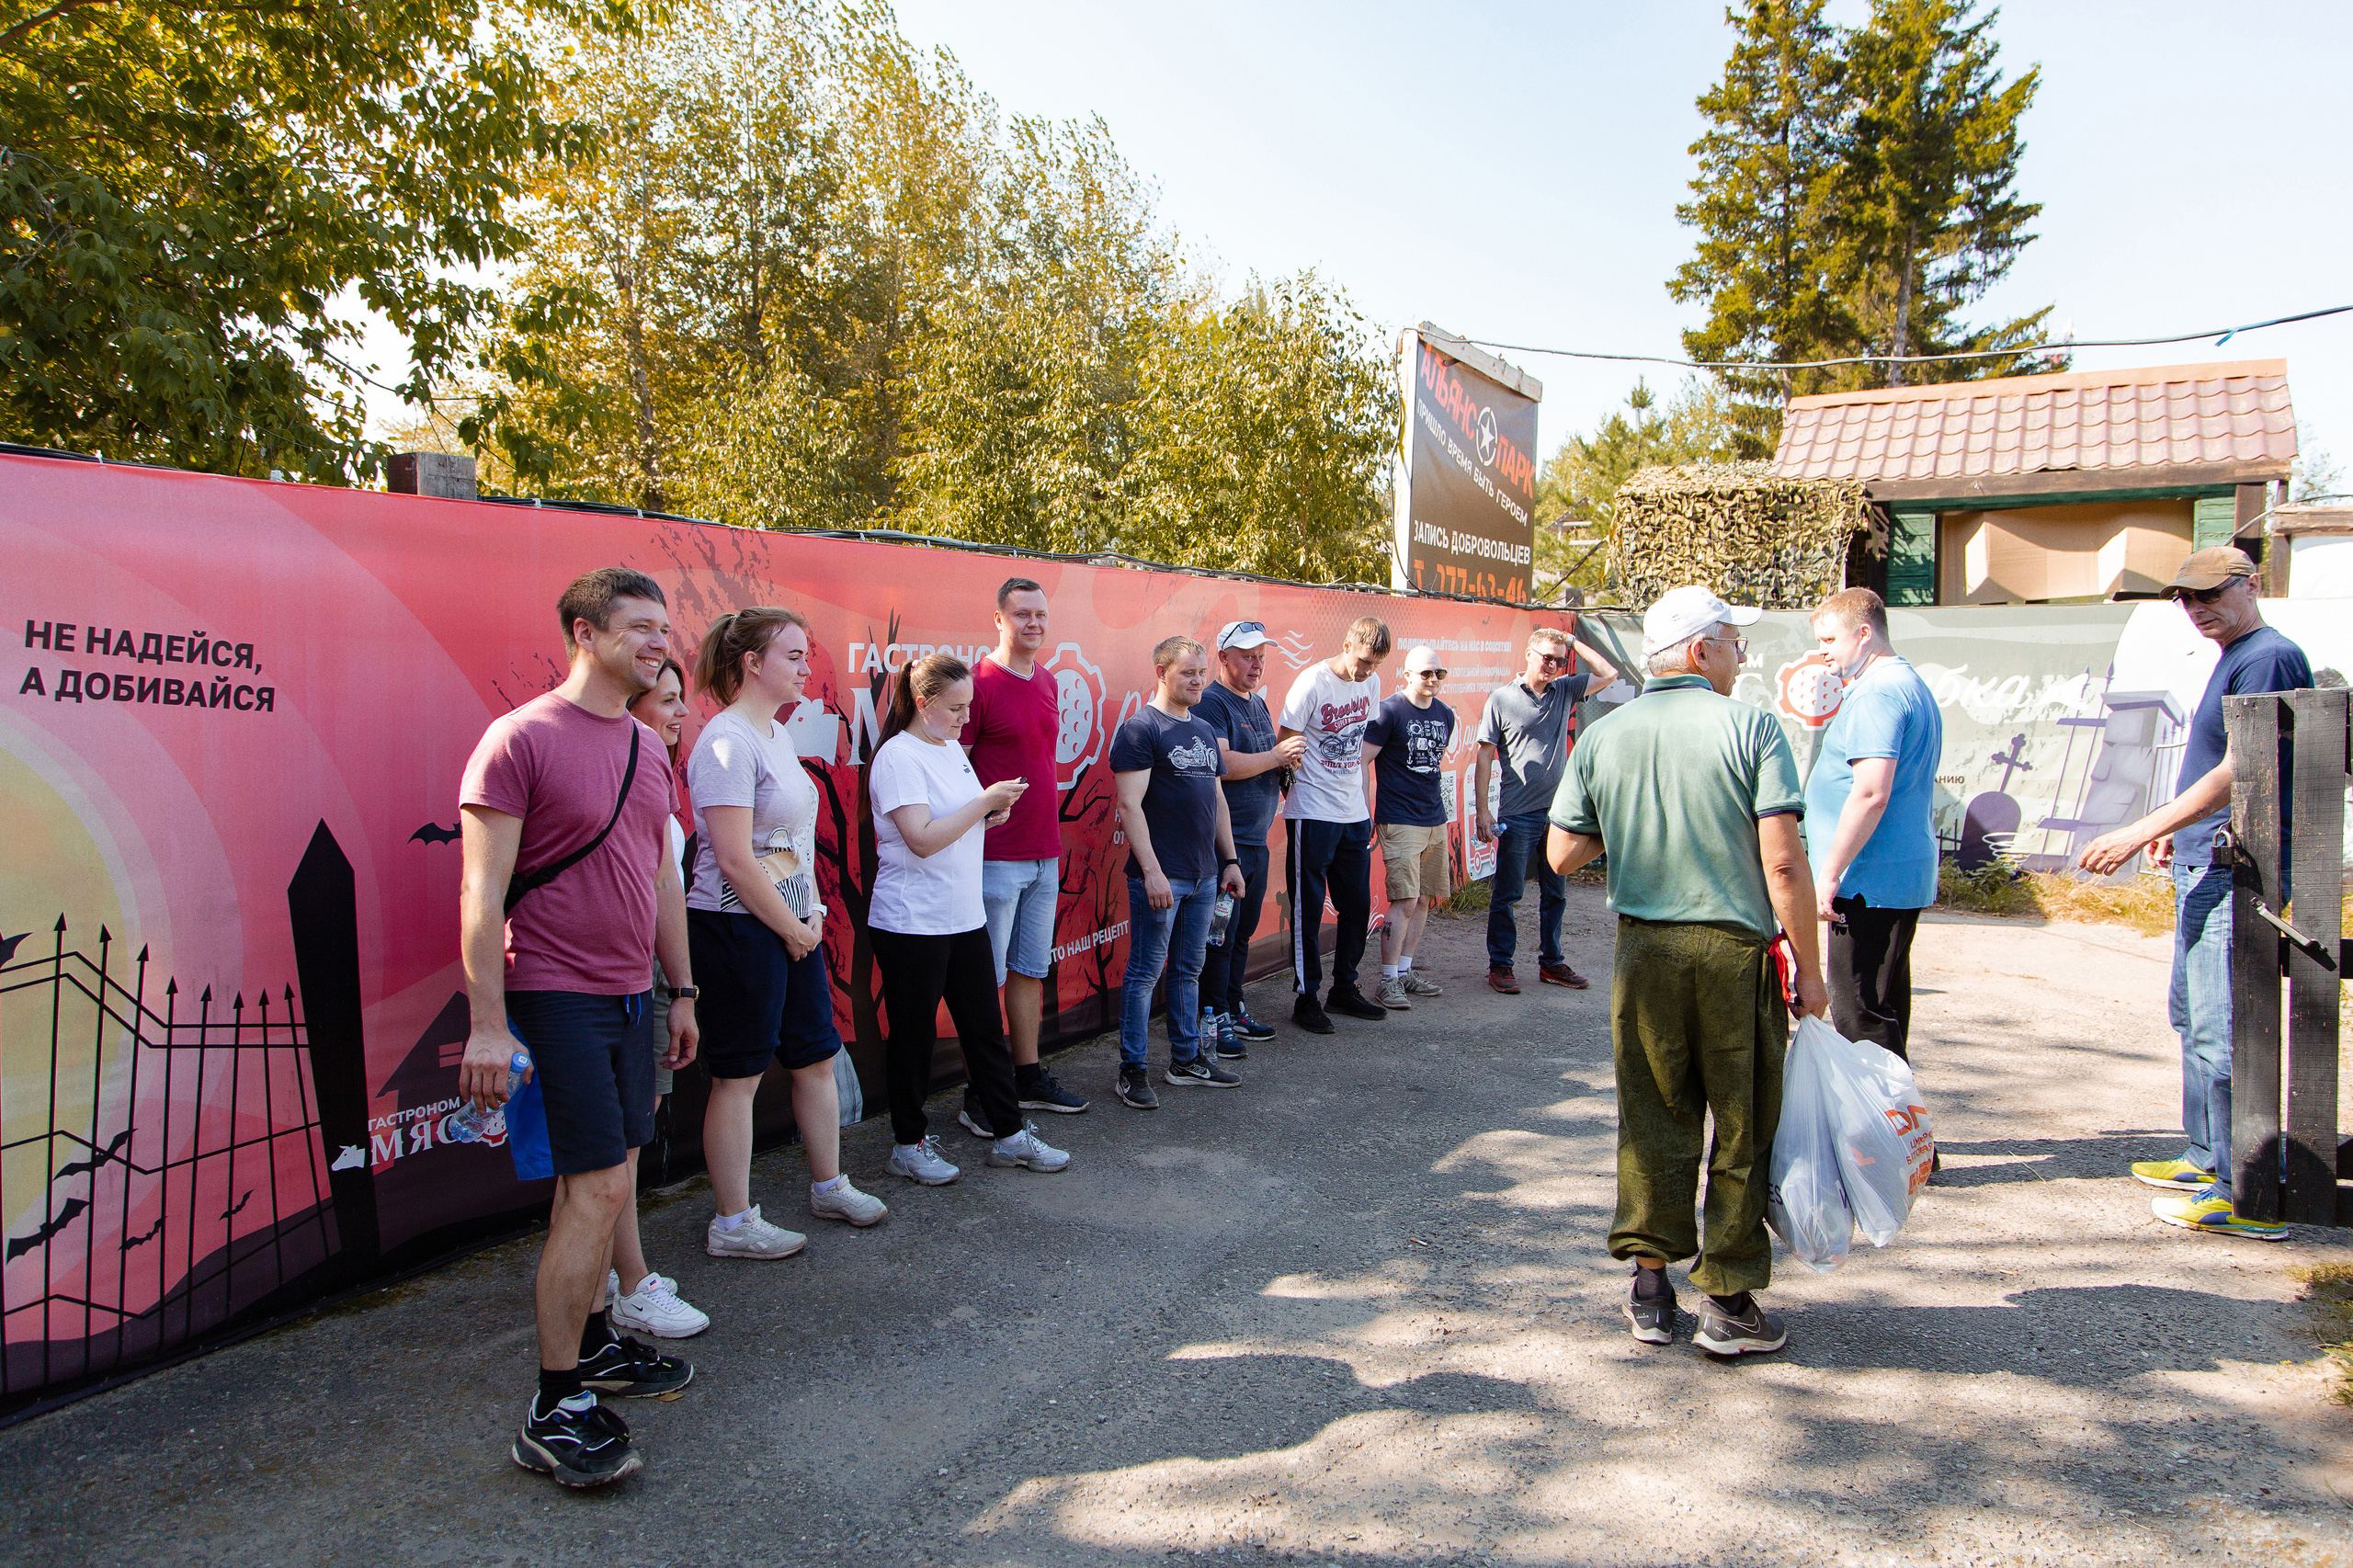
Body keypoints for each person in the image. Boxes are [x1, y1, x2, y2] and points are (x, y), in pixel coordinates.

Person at [459, 566, 698, 1489]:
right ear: (582, 631)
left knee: (608, 1181)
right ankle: (553, 1405)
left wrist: (682, 989)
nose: (657, 643)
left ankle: (596, 1346)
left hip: (631, 997)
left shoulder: (647, 750)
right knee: (594, 1188)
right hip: (550, 994)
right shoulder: (517, 740)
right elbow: (481, 892)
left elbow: (657, 878)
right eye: (638, 627)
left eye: (662, 629)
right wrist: (488, 1026)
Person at [1546, 584, 1826, 1358]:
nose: (1742, 655)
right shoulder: (1752, 729)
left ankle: (1649, 1287)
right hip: (1734, 957)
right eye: (1735, 641)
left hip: (1645, 955)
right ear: (1702, 652)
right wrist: (1812, 973)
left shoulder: (1606, 734)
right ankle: (1730, 1306)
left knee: (1651, 1117)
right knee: (1741, 1123)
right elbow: (1785, 865)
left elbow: (1563, 853)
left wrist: (1638, 825)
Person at [2079, 546, 2311, 1243]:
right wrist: (2176, 829)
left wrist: (2143, 826)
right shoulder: (2238, 653)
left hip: (2230, 865)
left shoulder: (2267, 655)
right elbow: (2216, 763)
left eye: (2211, 593)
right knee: (2191, 1013)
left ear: (2252, 584)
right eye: (2185, 598)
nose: (2197, 608)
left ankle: (2243, 1190)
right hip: (2202, 853)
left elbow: (2246, 765)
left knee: (2220, 1026)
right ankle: (2207, 1155)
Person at [685, 608, 890, 1262]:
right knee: (739, 1075)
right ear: (751, 663)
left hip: (791, 928)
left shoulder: (772, 733)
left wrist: (811, 919)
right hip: (738, 929)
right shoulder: (726, 741)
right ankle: (733, 1222)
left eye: (806, 655)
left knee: (815, 1056)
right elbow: (733, 859)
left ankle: (829, 1185)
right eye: (794, 655)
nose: (807, 668)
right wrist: (790, 927)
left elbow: (787, 846)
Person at [869, 653, 1072, 1181]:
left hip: (963, 917)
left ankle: (1008, 1134)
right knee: (913, 1039)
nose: (965, 718)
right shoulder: (898, 756)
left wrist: (988, 814)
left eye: (969, 707)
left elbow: (954, 825)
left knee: (984, 1029)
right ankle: (907, 1144)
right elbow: (921, 839)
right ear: (923, 702)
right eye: (956, 708)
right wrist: (983, 805)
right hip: (912, 922)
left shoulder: (951, 751)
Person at [959, 576, 1089, 1125]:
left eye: (1040, 614)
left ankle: (1027, 1076)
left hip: (1043, 851)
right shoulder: (978, 684)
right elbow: (954, 768)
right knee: (983, 980)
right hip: (992, 857)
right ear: (998, 619)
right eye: (1021, 614)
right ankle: (979, 1094)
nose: (1033, 623)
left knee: (1029, 970)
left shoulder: (1046, 681)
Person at [606, 659, 710, 1337]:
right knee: (616, 1145)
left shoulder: (658, 781)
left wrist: (682, 989)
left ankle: (619, 1276)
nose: (680, 714)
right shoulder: (615, 772)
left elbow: (665, 893)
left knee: (630, 1135)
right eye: (667, 701)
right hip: (609, 979)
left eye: (681, 700)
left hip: (650, 977)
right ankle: (630, 1283)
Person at [1803, 589, 1943, 1062]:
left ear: (1864, 634)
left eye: (1829, 639)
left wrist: (1829, 873)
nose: (1822, 651)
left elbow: (1870, 792)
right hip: (1886, 876)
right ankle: (1898, 1131)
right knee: (1880, 1006)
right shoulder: (1903, 683)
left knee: (1860, 1014)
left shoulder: (1879, 692)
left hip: (1867, 880)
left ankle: (1879, 1132)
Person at [1110, 635, 1249, 1107]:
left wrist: (1229, 860)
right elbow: (1129, 807)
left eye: (1201, 672)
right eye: (1187, 672)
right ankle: (1132, 1070)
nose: (1197, 681)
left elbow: (1216, 800)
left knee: (1189, 969)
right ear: (1160, 671)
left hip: (1206, 874)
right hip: (1162, 875)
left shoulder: (1205, 730)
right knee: (1146, 972)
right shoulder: (1140, 730)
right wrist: (1151, 871)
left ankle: (1186, 1059)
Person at [1476, 624, 1619, 994]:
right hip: (1518, 814)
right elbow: (1485, 755)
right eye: (1547, 658)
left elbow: (1609, 673)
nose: (1553, 665)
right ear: (1528, 655)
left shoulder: (1565, 689)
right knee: (1508, 893)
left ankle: (1551, 963)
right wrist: (1483, 812)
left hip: (1559, 815)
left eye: (1559, 660)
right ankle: (1500, 965)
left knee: (1556, 892)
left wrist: (1573, 642)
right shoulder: (1502, 699)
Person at [1194, 620, 1306, 1059]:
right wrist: (1275, 756)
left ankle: (1233, 1005)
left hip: (1255, 842)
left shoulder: (1257, 703)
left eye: (1261, 655)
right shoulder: (1211, 702)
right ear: (1222, 659)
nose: (1256, 663)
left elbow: (1262, 764)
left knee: (1240, 933)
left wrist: (1285, 769)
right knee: (1218, 935)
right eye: (1246, 655)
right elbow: (1222, 763)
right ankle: (1211, 1013)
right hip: (1226, 846)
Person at [1278, 615, 1392, 1033]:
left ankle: (1344, 987)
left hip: (1353, 811)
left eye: (1374, 665)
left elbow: (1361, 749)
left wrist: (1366, 803)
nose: (1365, 671)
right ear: (1346, 644)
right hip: (1312, 809)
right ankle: (1306, 997)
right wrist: (1296, 793)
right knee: (1308, 908)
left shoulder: (1372, 684)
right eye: (1362, 660)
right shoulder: (1313, 682)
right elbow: (1286, 741)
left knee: (1357, 905)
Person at [1363, 646, 1456, 1010]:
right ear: (1407, 675)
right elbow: (1362, 762)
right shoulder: (1388, 711)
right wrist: (1366, 811)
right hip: (1399, 819)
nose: (1433, 680)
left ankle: (1404, 972)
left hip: (1434, 819)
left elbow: (1431, 766)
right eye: (1426, 674)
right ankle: (1387, 981)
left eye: (1439, 674)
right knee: (1403, 900)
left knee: (1423, 899)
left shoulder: (1445, 714)